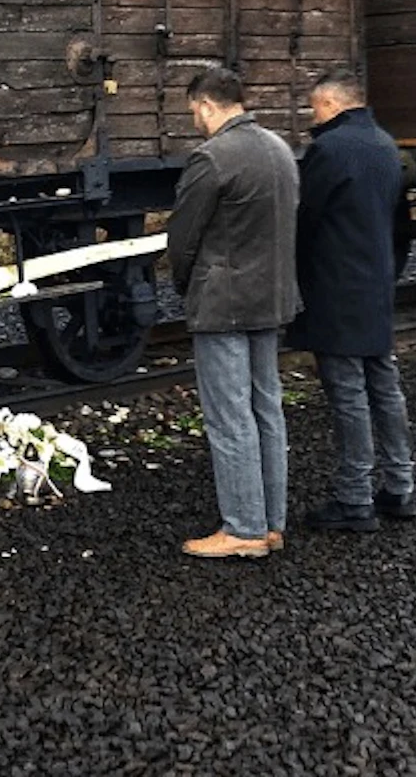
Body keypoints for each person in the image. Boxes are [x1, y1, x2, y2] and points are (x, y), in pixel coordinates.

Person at [167, 65, 300, 559]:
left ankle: (243, 527)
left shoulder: (212, 159)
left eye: (193, 113)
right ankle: (271, 523)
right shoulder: (280, 150)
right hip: (272, 299)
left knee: (229, 416)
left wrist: (186, 285)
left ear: (205, 105)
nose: (195, 122)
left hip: (222, 304)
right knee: (267, 407)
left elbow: (182, 240)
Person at [289, 68, 416, 530]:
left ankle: (354, 498)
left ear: (330, 104)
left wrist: (296, 279)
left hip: (336, 290)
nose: (312, 115)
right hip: (376, 284)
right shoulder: (385, 144)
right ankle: (400, 487)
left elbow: (308, 219)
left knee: (347, 396)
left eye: (314, 106)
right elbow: (402, 221)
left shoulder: (328, 150)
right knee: (384, 387)